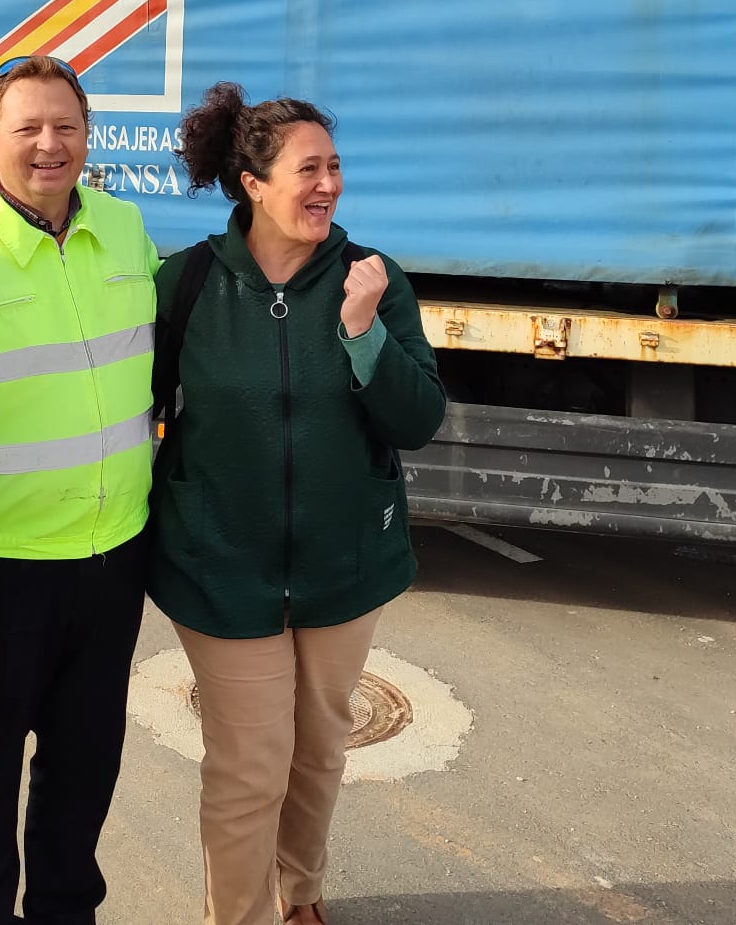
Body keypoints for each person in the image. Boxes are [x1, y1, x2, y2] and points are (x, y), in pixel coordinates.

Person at [149, 82, 446, 925]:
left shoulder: (371, 281)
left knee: (318, 754)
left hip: (343, 567)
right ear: (253, 183)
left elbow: (419, 419)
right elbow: (137, 408)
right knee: (248, 767)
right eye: (308, 169)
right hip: (222, 573)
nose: (328, 185)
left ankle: (299, 895)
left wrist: (362, 332)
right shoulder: (189, 283)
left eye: (336, 168)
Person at [0, 55, 159, 925]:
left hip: (111, 558)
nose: (49, 145)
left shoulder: (128, 233)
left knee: (85, 772)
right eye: (27, 128)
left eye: (66, 127)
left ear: (89, 137)